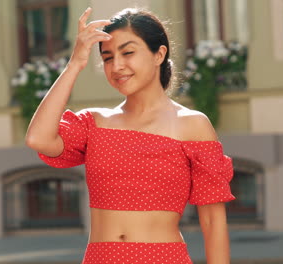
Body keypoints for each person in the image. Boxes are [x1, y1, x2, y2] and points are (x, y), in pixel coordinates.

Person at [25, 7, 236, 264]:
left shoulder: (192, 125)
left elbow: (213, 221)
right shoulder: (95, 123)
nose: (117, 66)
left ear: (159, 54)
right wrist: (75, 64)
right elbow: (39, 139)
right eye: (107, 58)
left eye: (128, 53)